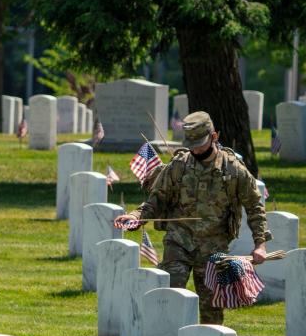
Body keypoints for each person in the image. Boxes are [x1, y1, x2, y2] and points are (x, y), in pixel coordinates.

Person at [114, 111, 270, 324]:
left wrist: (260, 244)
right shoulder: (179, 165)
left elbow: (254, 207)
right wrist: (136, 216)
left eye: (200, 143)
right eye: (191, 143)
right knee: (168, 299)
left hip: (213, 249)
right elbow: (157, 199)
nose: (195, 148)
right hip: (179, 242)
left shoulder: (233, 169)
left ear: (214, 137)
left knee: (212, 313)